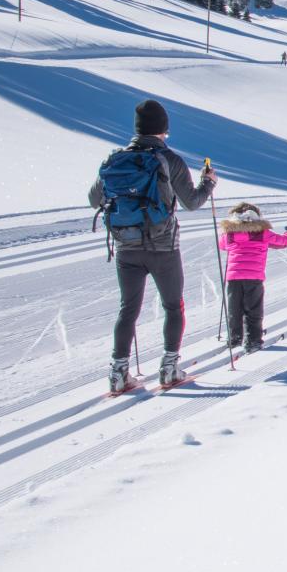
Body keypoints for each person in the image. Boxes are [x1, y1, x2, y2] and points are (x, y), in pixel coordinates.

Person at [89, 99, 216, 392]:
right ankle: (169, 368)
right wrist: (208, 183)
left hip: (126, 246)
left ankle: (119, 372)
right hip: (163, 247)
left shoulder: (115, 159)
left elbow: (94, 200)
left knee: (128, 309)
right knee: (173, 306)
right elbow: (192, 202)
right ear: (163, 129)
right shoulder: (169, 159)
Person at [218, 203, 287, 352]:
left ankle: (235, 337)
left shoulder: (229, 234)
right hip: (253, 277)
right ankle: (253, 340)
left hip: (234, 277)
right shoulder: (262, 232)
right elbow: (282, 242)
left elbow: (222, 246)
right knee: (253, 309)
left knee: (235, 308)